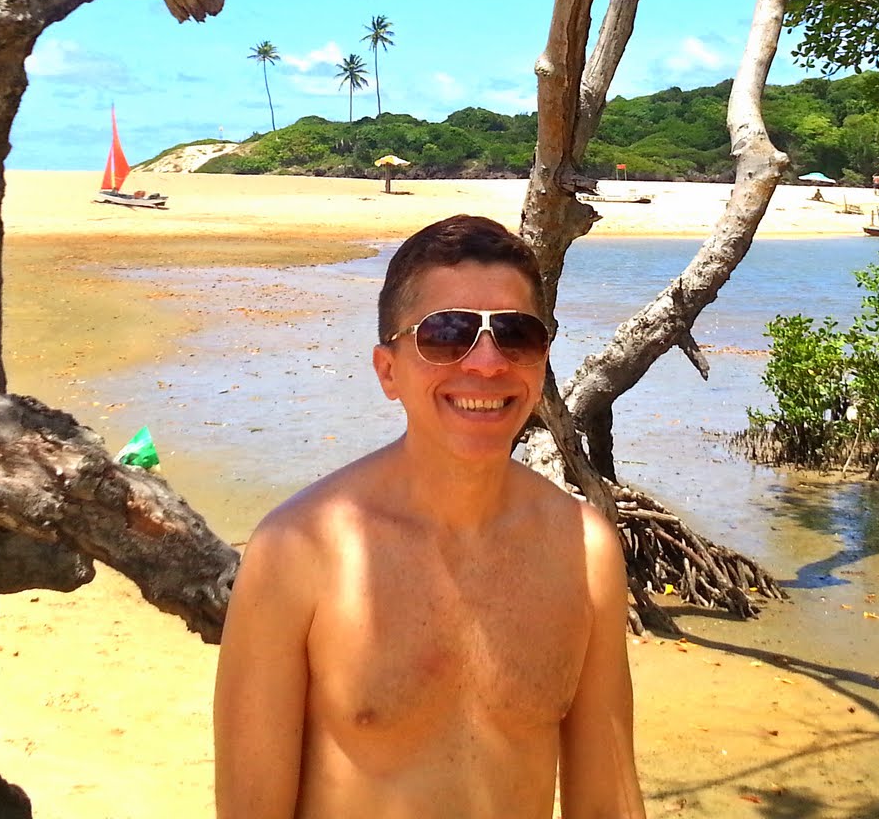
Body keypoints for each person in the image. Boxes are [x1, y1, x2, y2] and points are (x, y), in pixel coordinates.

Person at [212, 214, 644, 819]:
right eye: (446, 333)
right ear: (388, 370)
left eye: (516, 334)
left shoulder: (584, 549)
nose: (487, 364)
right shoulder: (298, 550)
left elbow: (606, 800)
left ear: (541, 360)